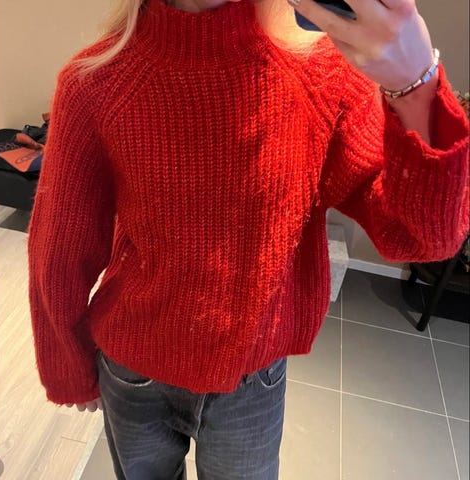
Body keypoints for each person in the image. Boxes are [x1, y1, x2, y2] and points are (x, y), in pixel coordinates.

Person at [27, 0, 469, 478]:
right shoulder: (96, 82)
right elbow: (60, 250)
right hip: (135, 366)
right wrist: (67, 365)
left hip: (252, 377)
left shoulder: (320, 73)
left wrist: (416, 88)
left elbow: (421, 239)